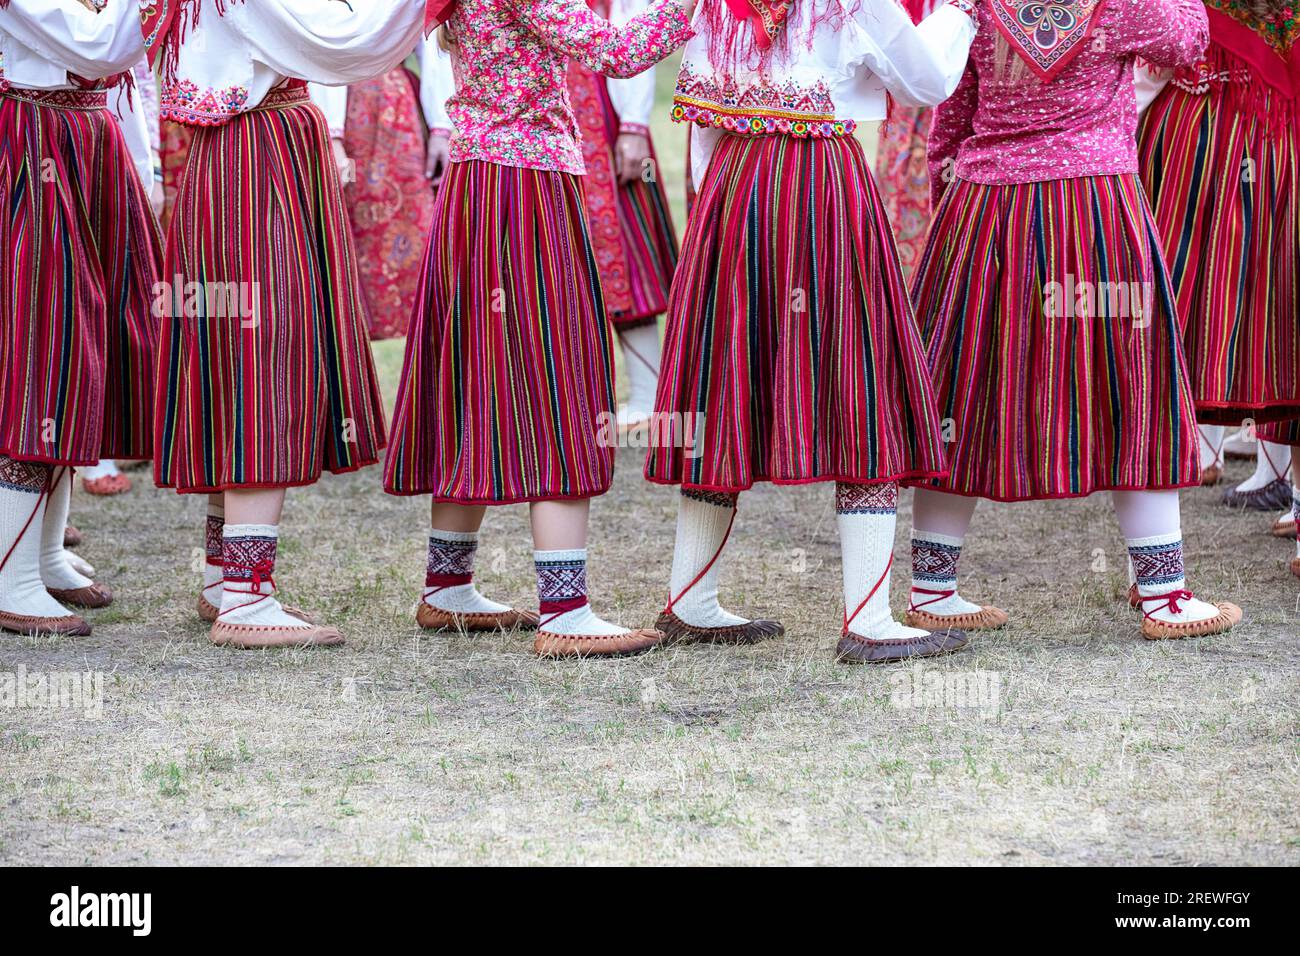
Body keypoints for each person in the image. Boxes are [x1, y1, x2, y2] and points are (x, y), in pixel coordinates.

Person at [647, 0, 980, 664]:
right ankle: (868, 620)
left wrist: (715, 220)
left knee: (725, 378)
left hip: (735, 187)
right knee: (861, 377)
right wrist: (960, 12)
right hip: (818, 184)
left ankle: (691, 596)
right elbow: (926, 82)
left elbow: (703, 128)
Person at [907, 0, 1241, 642]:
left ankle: (932, 587)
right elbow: (1189, 39)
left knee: (964, 389)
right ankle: (1164, 594)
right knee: (1134, 387)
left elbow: (948, 113)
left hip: (985, 207)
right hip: (1093, 206)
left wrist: (945, 198)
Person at [384, 0, 696, 659]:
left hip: (477, 183)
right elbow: (613, 51)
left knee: (476, 376)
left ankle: (448, 585)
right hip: (524, 189)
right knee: (557, 374)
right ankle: (565, 609)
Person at [146, 0, 435, 649]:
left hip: (241, 156)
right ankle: (246, 600)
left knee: (240, 355)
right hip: (255, 158)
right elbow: (338, 42)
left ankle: (226, 579)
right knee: (264, 356)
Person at [0, 0, 162, 636]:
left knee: (84, 342)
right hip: (34, 141)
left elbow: (113, 71)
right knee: (48, 348)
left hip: (84, 140)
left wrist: (140, 162)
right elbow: (95, 46)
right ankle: (10, 573)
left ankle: (41, 555)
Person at [1136, 5, 1300, 509]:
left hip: (1225, 122)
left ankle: (1208, 455)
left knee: (1253, 295)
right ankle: (1238, 463)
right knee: (1263, 300)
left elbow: (1161, 43)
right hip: (1251, 122)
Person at [567, 0, 680, 431]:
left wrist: (632, 126)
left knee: (624, 249)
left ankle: (648, 392)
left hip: (603, 114)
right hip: (554, 113)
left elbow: (633, 18)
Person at [308, 51, 437, 340]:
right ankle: (342, 323)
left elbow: (432, 46)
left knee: (404, 214)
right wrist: (333, 133)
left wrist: (441, 124)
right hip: (337, 101)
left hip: (393, 105)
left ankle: (413, 316)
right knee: (341, 212)